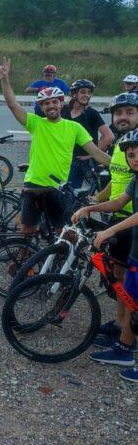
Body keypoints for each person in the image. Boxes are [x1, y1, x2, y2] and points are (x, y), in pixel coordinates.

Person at [0, 57, 110, 240]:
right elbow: (12, 104)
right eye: (46, 103)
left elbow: (95, 152)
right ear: (41, 107)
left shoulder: (74, 127)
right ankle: (23, 265)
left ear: (60, 104)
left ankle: (61, 263)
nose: (51, 106)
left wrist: (118, 164)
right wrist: (5, 79)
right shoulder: (36, 123)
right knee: (28, 230)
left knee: (63, 232)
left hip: (58, 187)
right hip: (34, 183)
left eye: (54, 102)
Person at [75, 92, 138, 364]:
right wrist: (94, 201)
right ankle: (120, 325)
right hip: (120, 216)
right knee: (118, 276)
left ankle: (126, 336)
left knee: (127, 284)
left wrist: (111, 228)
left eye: (129, 112)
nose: (122, 117)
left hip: (128, 221)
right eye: (118, 113)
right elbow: (119, 182)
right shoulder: (124, 145)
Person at [61, 79, 113, 189]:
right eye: (83, 92)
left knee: (70, 191)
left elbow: (108, 136)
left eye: (89, 93)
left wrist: (92, 155)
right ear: (74, 94)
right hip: (66, 157)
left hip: (82, 161)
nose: (87, 95)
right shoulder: (64, 110)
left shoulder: (91, 113)